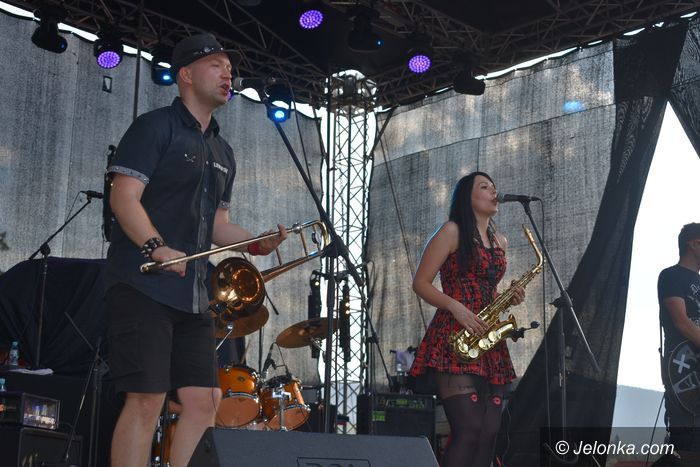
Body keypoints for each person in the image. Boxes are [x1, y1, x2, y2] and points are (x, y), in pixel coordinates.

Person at [104, 33, 287, 467]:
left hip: (192, 295)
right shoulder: (154, 127)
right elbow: (123, 197)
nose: (228, 74)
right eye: (216, 65)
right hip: (142, 284)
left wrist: (255, 241)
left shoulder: (223, 151)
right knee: (146, 399)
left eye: (230, 68)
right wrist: (156, 247)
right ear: (186, 75)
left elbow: (219, 225)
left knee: (206, 401)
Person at [409, 172, 525, 467]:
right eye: (484, 187)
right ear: (467, 197)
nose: (493, 191)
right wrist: (457, 308)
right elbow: (420, 283)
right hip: (455, 333)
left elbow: (488, 288)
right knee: (469, 429)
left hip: (488, 337)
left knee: (489, 432)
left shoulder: (500, 241)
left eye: (494, 186)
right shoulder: (452, 231)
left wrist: (508, 297)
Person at [658, 222, 700, 453]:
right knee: (689, 444)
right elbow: (682, 322)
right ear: (694, 244)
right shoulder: (671, 276)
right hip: (684, 374)